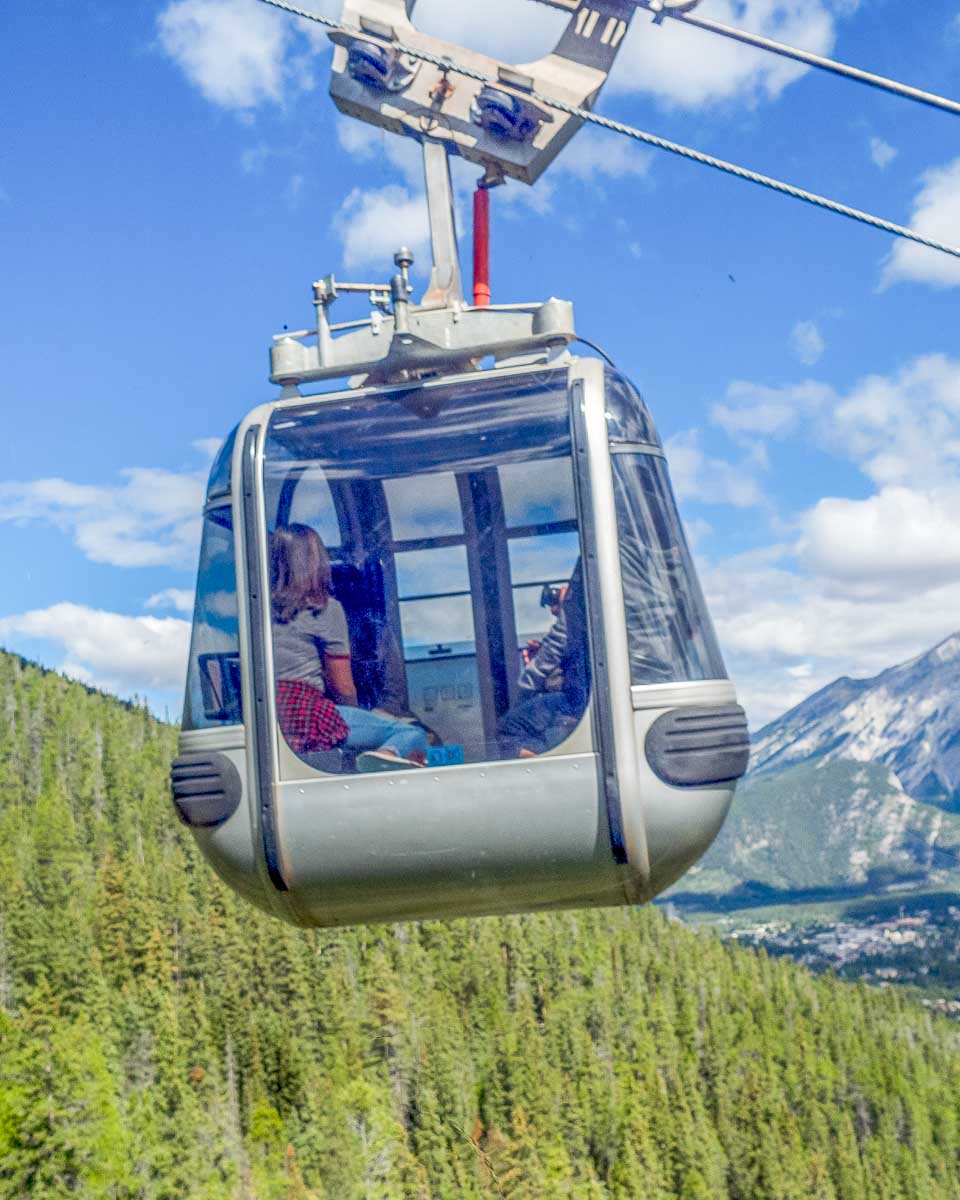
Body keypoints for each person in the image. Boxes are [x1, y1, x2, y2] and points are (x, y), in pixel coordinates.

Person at [270, 523, 428, 772]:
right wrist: (357, 718)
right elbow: (342, 686)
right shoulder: (325, 608)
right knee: (413, 735)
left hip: (272, 715)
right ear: (315, 563)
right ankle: (384, 755)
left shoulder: (259, 612)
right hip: (308, 713)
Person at [497, 564, 589, 757]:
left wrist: (524, 691)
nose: (554, 607)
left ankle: (545, 761)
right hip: (579, 694)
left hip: (576, 698)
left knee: (508, 728)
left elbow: (557, 645)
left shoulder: (578, 605)